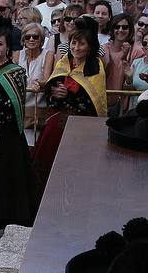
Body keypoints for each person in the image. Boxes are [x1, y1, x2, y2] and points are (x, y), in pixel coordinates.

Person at [0, 19, 38, 228]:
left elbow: (14, 106)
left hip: (6, 137)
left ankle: (5, 219)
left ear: (8, 46)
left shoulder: (16, 72)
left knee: (6, 178)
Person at [32, 21, 106, 184]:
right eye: (73, 42)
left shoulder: (96, 67)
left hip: (79, 131)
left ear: (90, 46)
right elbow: (52, 87)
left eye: (82, 43)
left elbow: (95, 103)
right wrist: (52, 92)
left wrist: (68, 96)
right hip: (54, 126)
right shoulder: (63, 62)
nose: (76, 48)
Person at [14, 22, 51, 137]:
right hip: (19, 109)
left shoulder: (48, 55)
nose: (31, 39)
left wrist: (40, 84)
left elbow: (46, 80)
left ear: (41, 39)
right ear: (23, 40)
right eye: (27, 37)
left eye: (35, 36)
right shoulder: (17, 54)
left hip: (38, 109)